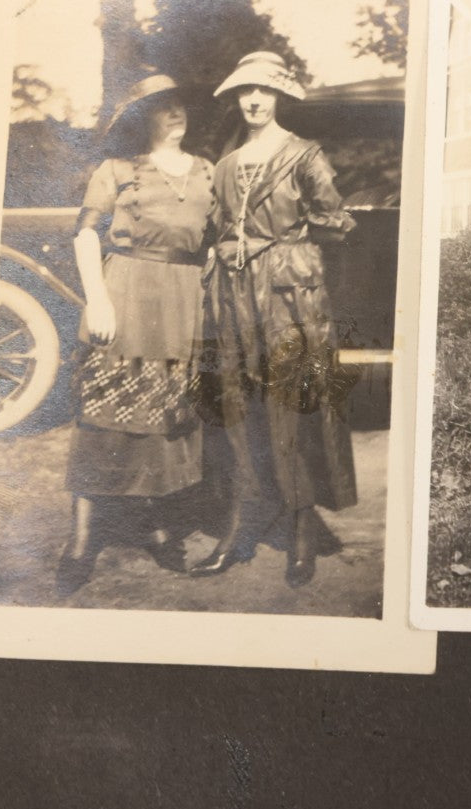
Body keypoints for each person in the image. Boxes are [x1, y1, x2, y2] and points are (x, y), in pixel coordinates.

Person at [188, 51, 357, 587]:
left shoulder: (304, 155)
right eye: (245, 91)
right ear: (237, 98)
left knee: (289, 405)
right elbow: (215, 227)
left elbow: (338, 222)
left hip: (286, 294)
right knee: (236, 406)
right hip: (231, 293)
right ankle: (241, 524)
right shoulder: (225, 164)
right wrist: (222, 251)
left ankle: (301, 530)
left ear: (280, 96)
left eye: (263, 91)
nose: (254, 100)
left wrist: (287, 244)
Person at [58, 73, 215, 595]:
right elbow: (85, 233)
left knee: (167, 418)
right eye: (161, 107)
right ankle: (80, 539)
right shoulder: (118, 170)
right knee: (103, 417)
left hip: (183, 300)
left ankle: (159, 527)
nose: (175, 113)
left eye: (179, 104)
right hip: (125, 291)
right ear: (141, 118)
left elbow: (213, 242)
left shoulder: (207, 171)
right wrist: (98, 298)